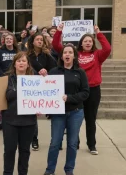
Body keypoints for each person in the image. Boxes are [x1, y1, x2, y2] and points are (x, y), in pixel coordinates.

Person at [52, 24, 111, 155]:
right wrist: (59, 31)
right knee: (74, 118)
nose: (88, 43)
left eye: (90, 41)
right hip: (77, 91)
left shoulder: (97, 55)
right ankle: (75, 142)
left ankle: (92, 145)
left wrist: (98, 33)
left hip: (93, 90)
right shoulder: (75, 54)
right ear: (81, 43)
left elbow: (107, 48)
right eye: (85, 41)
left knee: (91, 119)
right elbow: (57, 47)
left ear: (93, 43)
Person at [44, 44, 90, 175]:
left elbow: (85, 93)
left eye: (70, 52)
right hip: (58, 113)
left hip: (75, 112)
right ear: (62, 56)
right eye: (65, 53)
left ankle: (69, 169)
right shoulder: (54, 71)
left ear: (74, 55)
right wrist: (43, 76)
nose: (67, 55)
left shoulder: (80, 72)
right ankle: (50, 170)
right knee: (55, 143)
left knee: (72, 143)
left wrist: (69, 98)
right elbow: (46, 90)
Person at [3, 52, 37, 175]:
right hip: (10, 121)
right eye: (18, 61)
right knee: (9, 150)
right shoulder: (7, 79)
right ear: (14, 64)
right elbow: (3, 97)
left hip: (28, 121)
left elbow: (40, 98)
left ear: (28, 64)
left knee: (25, 151)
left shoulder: (35, 80)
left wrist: (39, 107)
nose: (21, 63)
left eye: (24, 61)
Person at [27, 33, 57, 151]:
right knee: (33, 115)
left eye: (41, 40)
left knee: (54, 115)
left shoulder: (48, 55)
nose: (39, 41)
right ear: (32, 42)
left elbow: (54, 70)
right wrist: (37, 72)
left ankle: (56, 141)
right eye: (37, 39)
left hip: (45, 88)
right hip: (32, 87)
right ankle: (34, 140)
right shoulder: (27, 55)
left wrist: (47, 73)